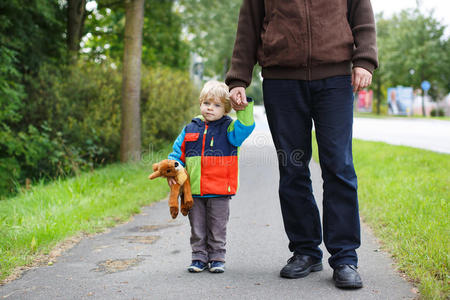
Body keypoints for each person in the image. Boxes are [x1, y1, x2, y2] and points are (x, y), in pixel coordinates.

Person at [225, 0, 378, 289]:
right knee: (292, 167)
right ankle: (306, 251)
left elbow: (361, 13)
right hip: (281, 81)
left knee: (339, 165)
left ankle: (345, 257)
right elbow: (248, 26)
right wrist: (238, 78)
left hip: (335, 79)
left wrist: (365, 59)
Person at [167, 80, 255, 273]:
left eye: (217, 105)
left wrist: (244, 106)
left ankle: (217, 257)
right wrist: (174, 168)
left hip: (220, 190)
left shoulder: (230, 129)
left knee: (217, 226)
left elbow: (246, 126)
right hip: (194, 191)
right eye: (207, 103)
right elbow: (176, 154)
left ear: (226, 109)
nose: (210, 108)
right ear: (200, 103)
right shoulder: (190, 129)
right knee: (197, 227)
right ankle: (198, 258)